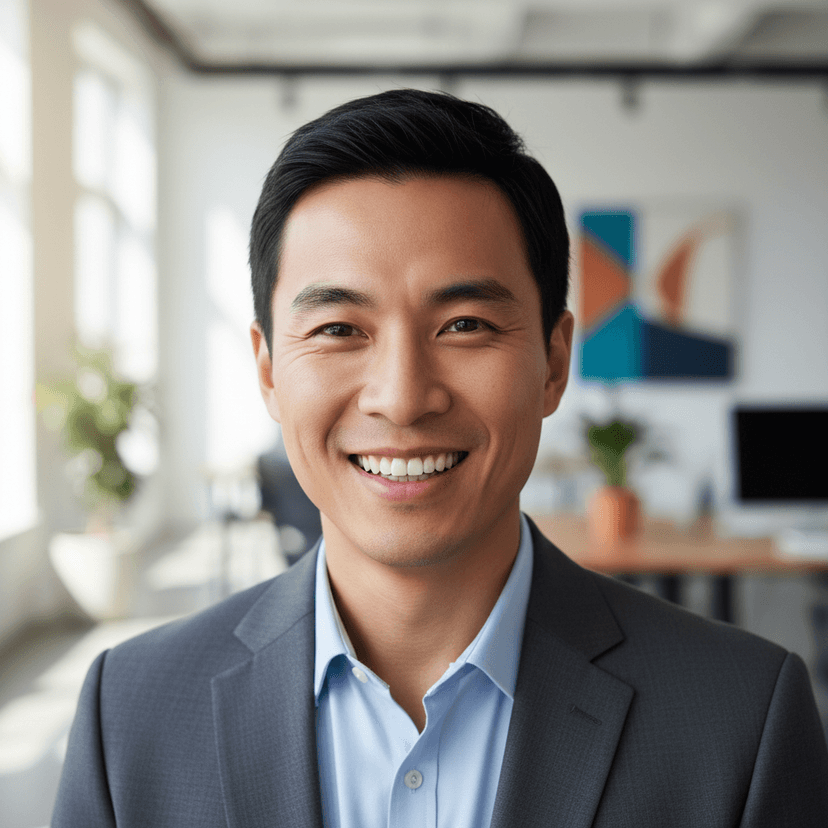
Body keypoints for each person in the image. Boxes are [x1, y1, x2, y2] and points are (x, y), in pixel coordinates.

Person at [53, 89, 828, 827]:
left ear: (554, 363)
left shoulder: (740, 720)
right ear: (268, 373)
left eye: (463, 325)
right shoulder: (129, 715)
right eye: (338, 330)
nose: (401, 396)